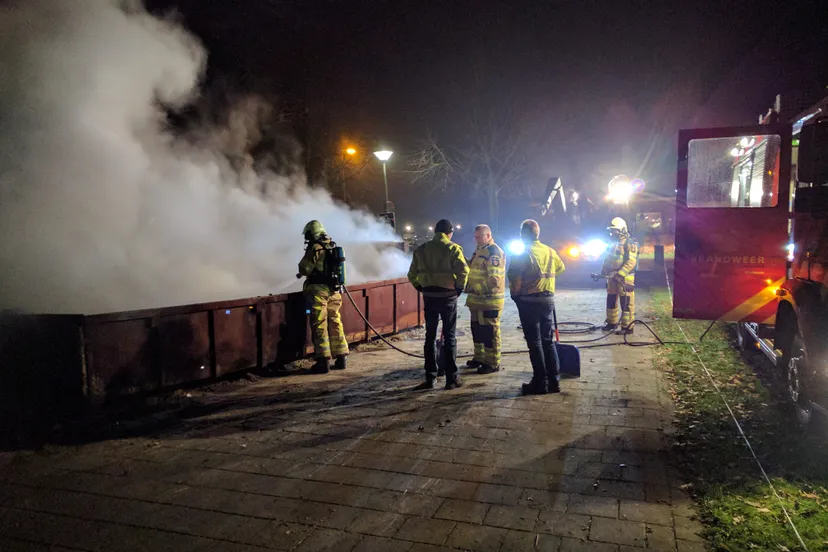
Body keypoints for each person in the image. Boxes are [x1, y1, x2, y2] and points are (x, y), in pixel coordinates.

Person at [407, 219, 469, 390]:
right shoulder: (453, 248)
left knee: (430, 336)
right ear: (449, 233)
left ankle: (430, 377)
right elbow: (464, 271)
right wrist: (458, 288)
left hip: (429, 296)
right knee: (449, 336)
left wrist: (420, 287)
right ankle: (451, 379)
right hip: (448, 296)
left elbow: (411, 274)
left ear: (435, 232)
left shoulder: (422, 249)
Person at [507, 219, 566, 395]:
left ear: (522, 234)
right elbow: (561, 268)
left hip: (529, 301)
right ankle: (554, 381)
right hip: (548, 300)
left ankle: (540, 382)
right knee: (548, 341)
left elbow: (514, 278)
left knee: (535, 343)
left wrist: (516, 296)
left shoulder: (523, 253)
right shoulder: (549, 251)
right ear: (537, 234)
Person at [297, 220, 348, 373]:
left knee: (319, 323)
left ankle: (323, 360)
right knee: (335, 321)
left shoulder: (316, 247)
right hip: (334, 291)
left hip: (319, 291)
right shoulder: (332, 246)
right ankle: (341, 357)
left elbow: (304, 268)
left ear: (312, 233)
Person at [465, 224, 505, 374]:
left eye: (479, 237)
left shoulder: (494, 252)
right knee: (477, 330)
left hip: (489, 301)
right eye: (475, 237)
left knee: (490, 332)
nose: (476, 240)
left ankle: (493, 363)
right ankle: (480, 358)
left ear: (488, 235)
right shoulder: (480, 250)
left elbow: (494, 280)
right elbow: (473, 270)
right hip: (476, 302)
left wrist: (474, 288)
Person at [600, 217, 638, 334]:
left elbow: (631, 262)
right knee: (611, 299)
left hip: (625, 278)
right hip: (612, 276)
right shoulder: (612, 243)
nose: (613, 232)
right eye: (612, 230)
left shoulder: (630, 243)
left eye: (615, 230)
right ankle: (612, 323)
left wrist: (621, 274)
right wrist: (603, 270)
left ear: (622, 229)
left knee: (626, 302)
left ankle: (627, 327)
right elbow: (608, 258)